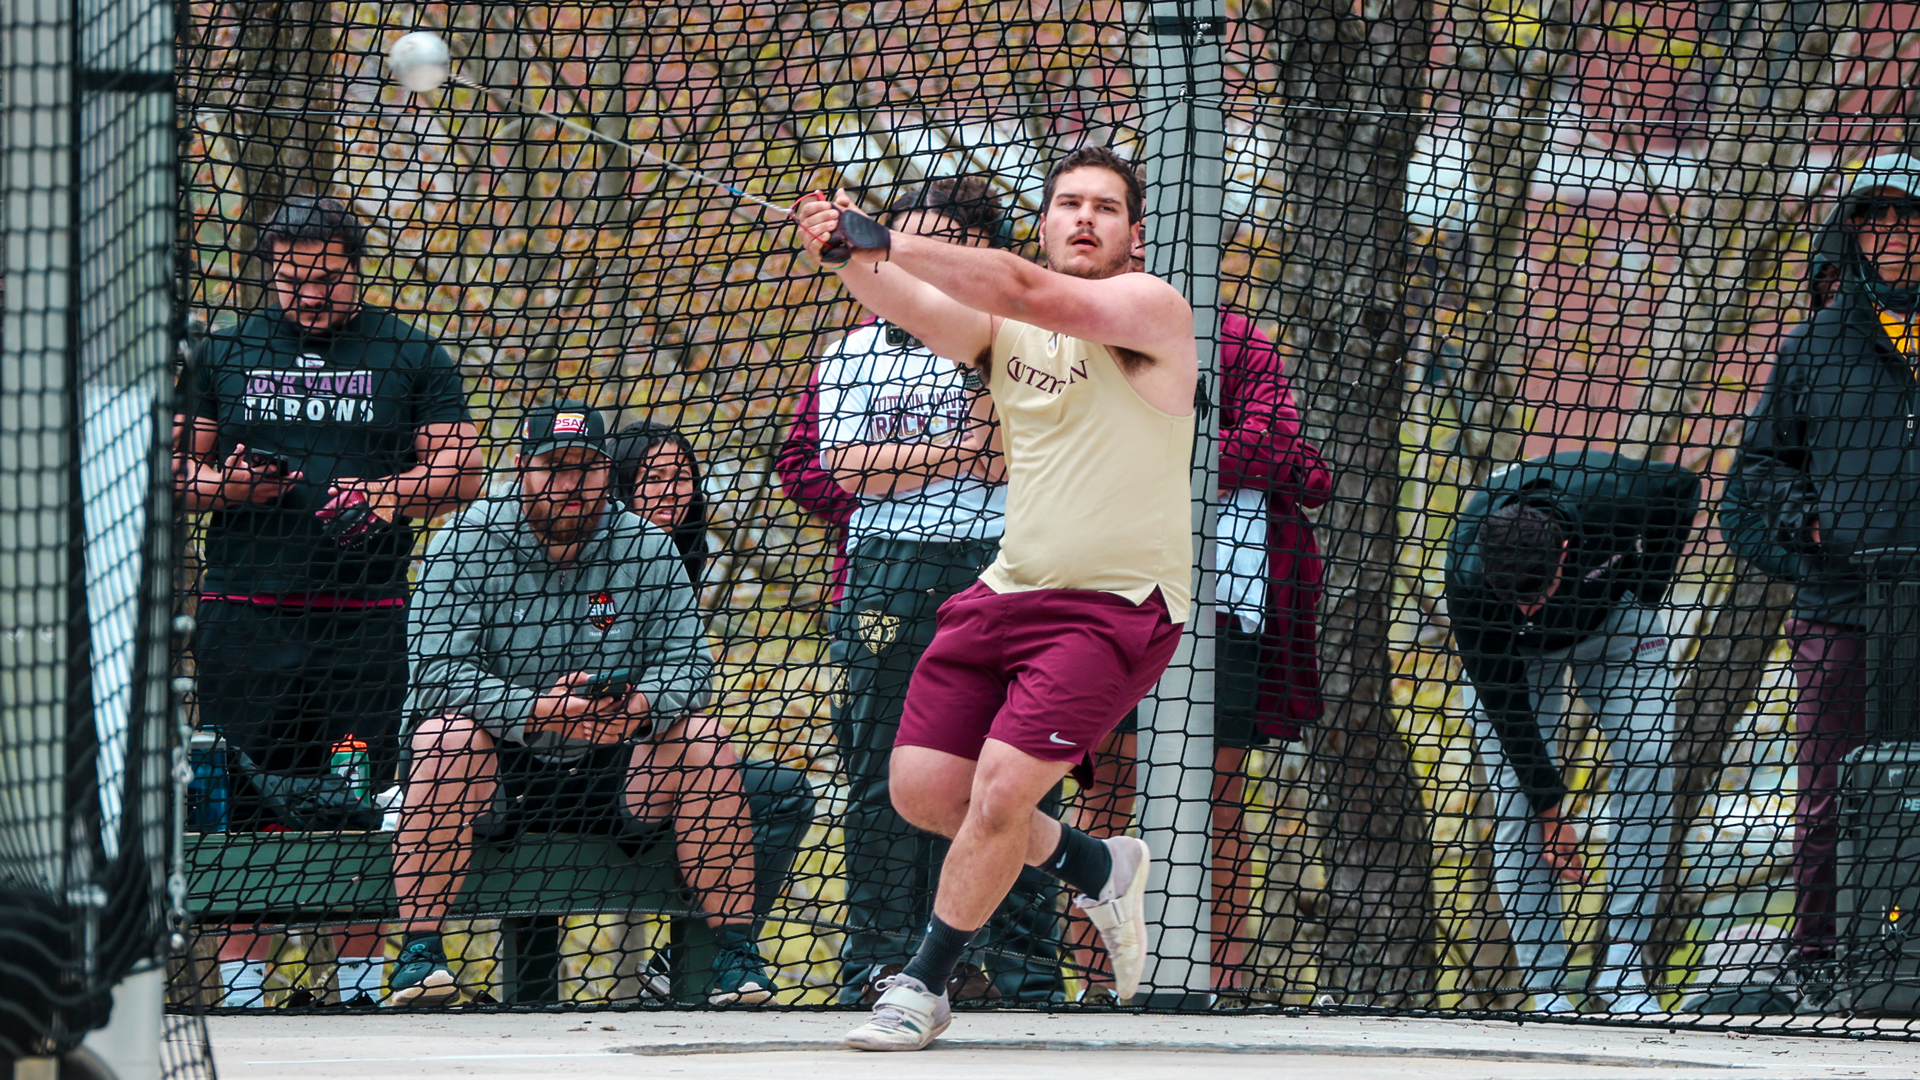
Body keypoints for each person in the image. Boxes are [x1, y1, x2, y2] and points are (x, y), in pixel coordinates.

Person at [793, 145, 1197, 1051]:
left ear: (1134, 235)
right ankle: (1094, 864)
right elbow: (912, 302)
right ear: (1048, 223)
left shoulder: (1147, 308)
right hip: (1007, 591)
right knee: (924, 791)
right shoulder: (1008, 336)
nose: (1085, 217)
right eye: (1068, 205)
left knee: (1005, 789)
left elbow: (1018, 288)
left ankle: (921, 987)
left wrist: (884, 234)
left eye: (1105, 207)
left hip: (1114, 604)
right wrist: (847, 253)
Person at [393, 402, 775, 1008]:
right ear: (521, 468)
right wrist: (539, 709)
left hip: (616, 766)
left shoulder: (647, 545)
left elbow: (694, 667)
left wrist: (642, 704)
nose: (572, 484)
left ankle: (736, 958)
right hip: (502, 769)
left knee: (702, 736)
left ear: (605, 472)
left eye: (587, 469)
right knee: (444, 738)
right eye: (554, 468)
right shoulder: (463, 541)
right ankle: (418, 959)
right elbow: (436, 676)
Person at [808, 177, 1065, 1005]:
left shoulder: (1021, 337)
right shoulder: (852, 351)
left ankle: (1010, 965)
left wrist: (942, 447)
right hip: (891, 566)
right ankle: (877, 957)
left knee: (1011, 776)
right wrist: (947, 453)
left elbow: (1004, 458)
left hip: (1003, 567)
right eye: (892, 239)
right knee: (886, 770)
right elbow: (846, 470)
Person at [174, 194, 483, 829]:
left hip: (365, 625)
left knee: (358, 817)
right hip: (244, 621)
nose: (308, 295)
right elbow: (162, 470)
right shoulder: (224, 352)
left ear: (357, 268)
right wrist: (228, 487)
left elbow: (465, 472)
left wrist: (389, 494)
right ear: (269, 272)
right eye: (290, 281)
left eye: (325, 279)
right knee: (236, 819)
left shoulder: (412, 354)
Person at [1068, 287, 1330, 1000]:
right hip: (1108, 597)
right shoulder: (1081, 332)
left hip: (1218, 608)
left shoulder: (1240, 338)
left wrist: (1151, 452)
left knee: (1218, 795)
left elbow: (1273, 440)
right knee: (1105, 789)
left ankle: (1222, 980)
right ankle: (1097, 984)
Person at [1722, 153, 1920, 1005]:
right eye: (1875, 220)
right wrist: (1810, 523)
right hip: (1839, 607)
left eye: (1908, 219)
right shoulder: (1817, 343)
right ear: (1855, 232)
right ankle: (1816, 962)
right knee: (1828, 798)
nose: (1893, 236)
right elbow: (1758, 470)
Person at [1443, 450, 1699, 1015]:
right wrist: (1552, 810)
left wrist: (1647, 591)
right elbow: (1507, 708)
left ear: (1563, 551)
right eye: (1517, 598)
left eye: (1537, 592)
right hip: (1517, 663)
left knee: (1651, 759)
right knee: (1516, 802)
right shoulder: (1467, 578)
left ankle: (1625, 972)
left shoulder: (1612, 497)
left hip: (1613, 623)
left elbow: (1682, 488)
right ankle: (1549, 990)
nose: (1529, 608)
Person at [608, 420, 819, 927]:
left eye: (681, 476)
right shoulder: (592, 553)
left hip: (663, 747)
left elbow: (688, 675)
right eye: (652, 477)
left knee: (785, 792)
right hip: (587, 760)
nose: (670, 491)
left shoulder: (684, 555)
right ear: (622, 483)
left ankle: (700, 951)